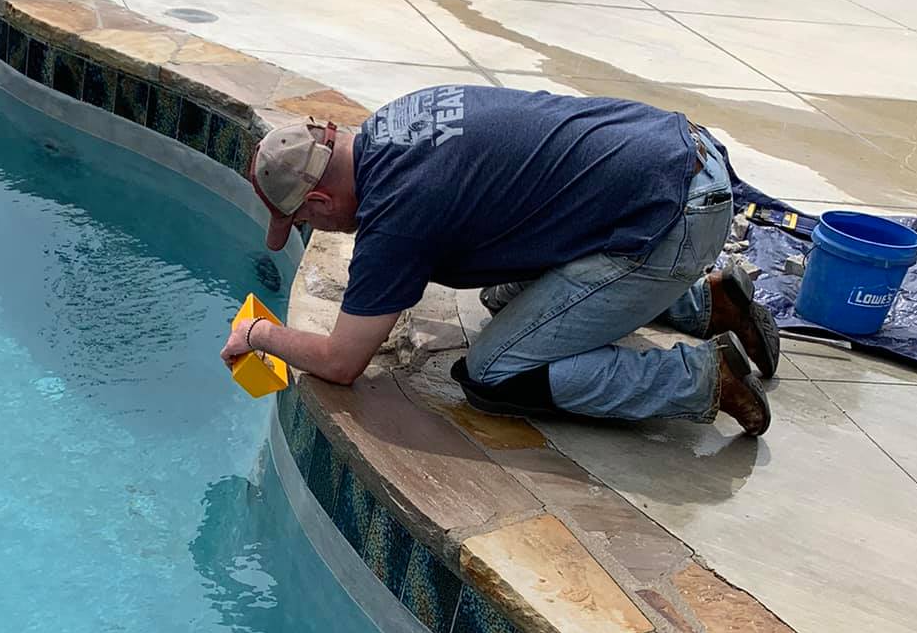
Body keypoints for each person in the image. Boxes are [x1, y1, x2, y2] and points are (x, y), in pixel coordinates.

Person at [221, 86, 778, 434]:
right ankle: (710, 301)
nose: (310, 230)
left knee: (496, 373)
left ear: (318, 201)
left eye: (302, 223)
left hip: (673, 216)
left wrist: (258, 335)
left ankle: (704, 377)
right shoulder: (399, 119)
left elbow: (342, 364)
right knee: (503, 295)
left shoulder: (397, 213)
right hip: (676, 155)